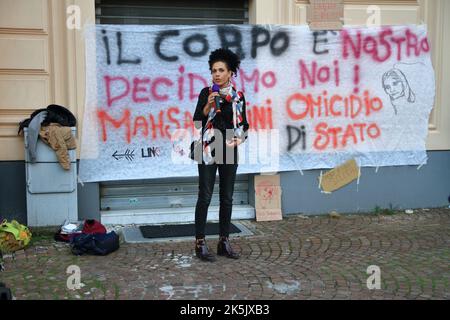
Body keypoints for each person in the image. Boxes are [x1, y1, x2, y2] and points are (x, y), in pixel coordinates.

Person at [192, 48, 249, 262]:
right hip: (207, 146)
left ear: (231, 73)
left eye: (221, 70)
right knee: (205, 196)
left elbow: (244, 125)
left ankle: (223, 242)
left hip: (229, 147)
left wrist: (240, 138)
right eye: (213, 70)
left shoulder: (238, 97)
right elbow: (197, 122)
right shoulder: (206, 93)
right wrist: (207, 105)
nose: (216, 74)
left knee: (227, 197)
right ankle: (200, 243)